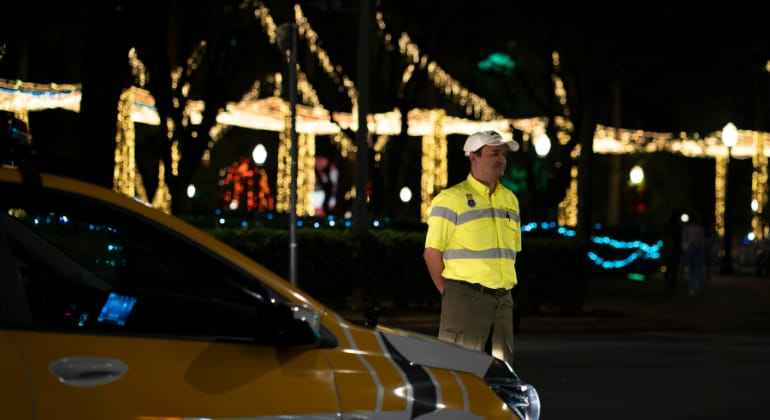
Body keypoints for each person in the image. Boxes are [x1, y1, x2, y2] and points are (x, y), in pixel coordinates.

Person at [423, 130, 522, 366]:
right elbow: (431, 254)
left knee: (503, 371)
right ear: (473, 156)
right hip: (466, 297)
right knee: (459, 370)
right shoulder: (450, 199)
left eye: (504, 154)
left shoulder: (510, 200)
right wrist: (452, 296)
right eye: (494, 153)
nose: (502, 160)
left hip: (503, 299)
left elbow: (513, 252)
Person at [681, 213, 706, 296]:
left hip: (694, 250)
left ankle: (693, 286)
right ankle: (693, 286)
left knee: (693, 269)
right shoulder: (692, 229)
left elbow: (701, 241)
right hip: (693, 250)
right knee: (693, 269)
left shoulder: (694, 229)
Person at [661, 210, 682, 291]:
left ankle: (667, 284)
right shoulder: (677, 226)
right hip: (674, 249)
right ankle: (672, 284)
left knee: (669, 268)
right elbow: (679, 239)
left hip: (669, 249)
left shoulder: (667, 226)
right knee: (674, 268)